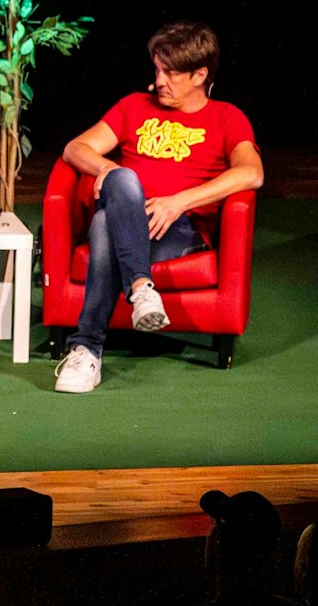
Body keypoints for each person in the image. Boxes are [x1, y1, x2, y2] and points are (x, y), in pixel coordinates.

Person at [54, 22, 263, 394]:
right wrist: (107, 168)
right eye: (157, 69)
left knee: (103, 224)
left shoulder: (227, 117)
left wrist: (178, 201)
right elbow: (75, 148)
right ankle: (140, 288)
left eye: (170, 72)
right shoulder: (134, 106)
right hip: (128, 212)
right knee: (123, 183)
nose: (159, 81)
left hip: (178, 229)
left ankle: (86, 349)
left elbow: (252, 173)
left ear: (199, 75)